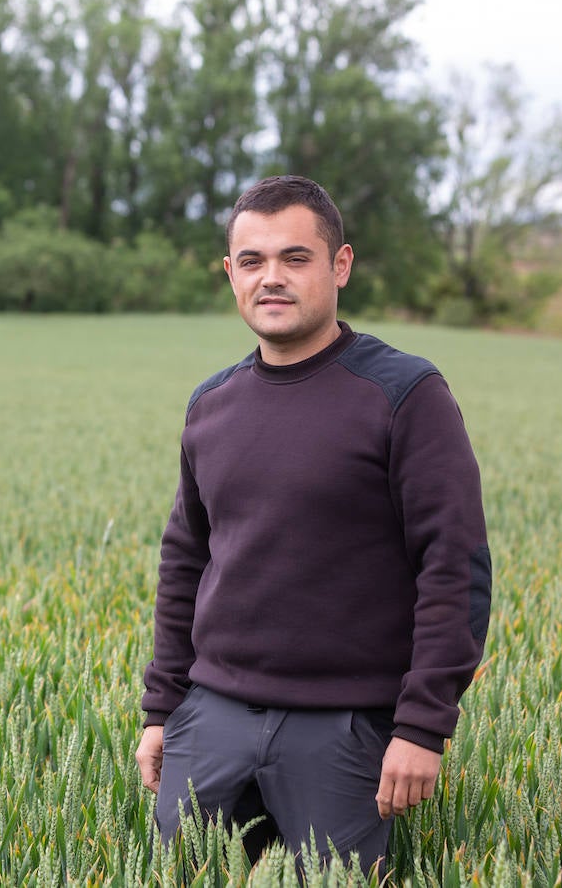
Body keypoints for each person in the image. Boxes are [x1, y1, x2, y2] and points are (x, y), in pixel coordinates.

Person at [134, 175, 491, 874]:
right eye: (252, 260)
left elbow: (454, 566)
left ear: (341, 265)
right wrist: (161, 710)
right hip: (211, 719)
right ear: (231, 273)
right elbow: (185, 561)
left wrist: (422, 727)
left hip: (344, 730)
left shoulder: (404, 395)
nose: (272, 278)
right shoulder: (212, 405)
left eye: (295, 258)